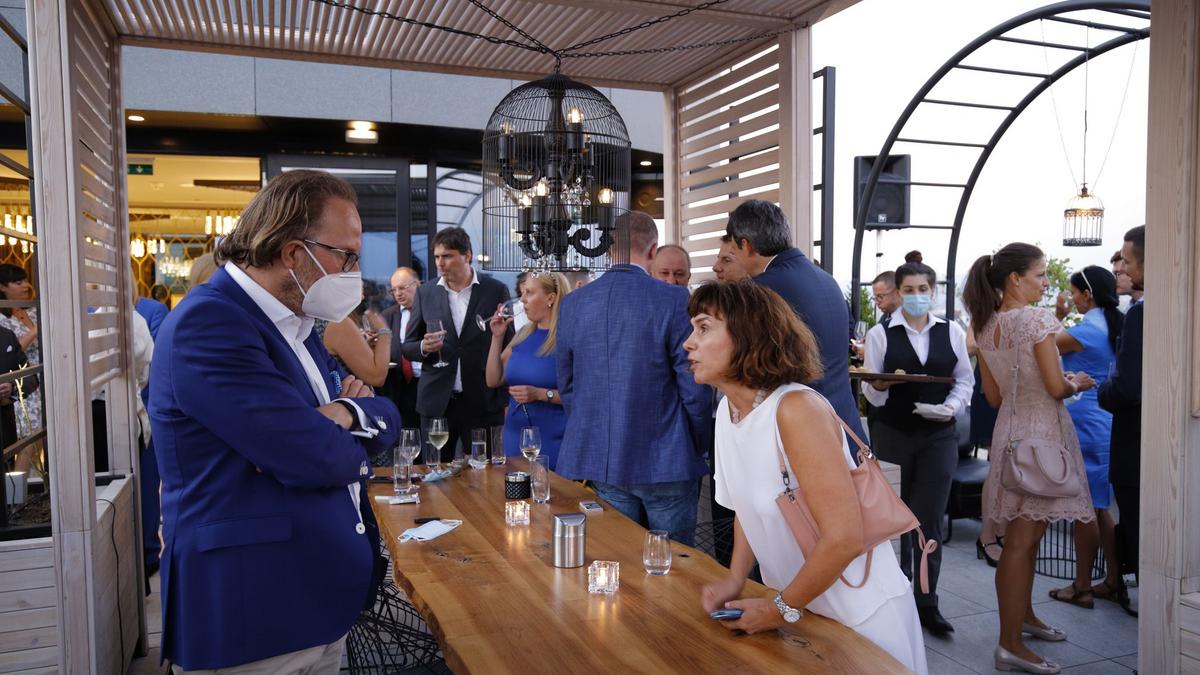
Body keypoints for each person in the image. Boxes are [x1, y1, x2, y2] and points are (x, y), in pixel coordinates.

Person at [148, 169, 400, 672]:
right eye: (347, 256)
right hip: (252, 617)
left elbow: (385, 413)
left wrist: (344, 413)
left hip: (313, 605)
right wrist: (336, 431)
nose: (354, 271)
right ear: (293, 253)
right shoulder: (211, 323)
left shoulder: (295, 322)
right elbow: (315, 457)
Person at [689, 282, 927, 674]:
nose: (688, 343)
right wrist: (735, 578)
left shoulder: (795, 409)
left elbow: (844, 538)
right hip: (800, 611)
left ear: (748, 335)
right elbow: (746, 509)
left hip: (858, 617)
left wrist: (777, 610)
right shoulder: (729, 414)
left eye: (703, 328)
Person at [963, 242, 1097, 675]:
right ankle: (1010, 645)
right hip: (1042, 435)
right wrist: (1078, 383)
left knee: (1026, 539)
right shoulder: (1036, 319)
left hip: (1009, 434)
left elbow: (993, 396)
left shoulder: (985, 325)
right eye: (1040, 274)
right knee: (1023, 542)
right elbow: (1056, 388)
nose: (1046, 282)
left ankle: (1024, 619)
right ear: (1015, 279)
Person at [555, 211, 712, 544]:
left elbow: (568, 387)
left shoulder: (573, 303)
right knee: (675, 563)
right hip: (668, 458)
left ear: (610, 248)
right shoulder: (674, 299)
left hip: (605, 461)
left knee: (618, 557)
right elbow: (694, 385)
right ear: (653, 250)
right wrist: (698, 443)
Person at [859, 255, 974, 635]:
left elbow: (964, 380)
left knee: (929, 519)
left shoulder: (951, 331)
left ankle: (927, 601)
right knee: (894, 518)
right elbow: (872, 391)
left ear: (933, 291)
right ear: (899, 292)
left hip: (939, 435)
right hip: (893, 432)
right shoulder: (881, 335)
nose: (916, 295)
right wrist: (879, 386)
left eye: (922, 289)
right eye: (908, 290)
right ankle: (895, 598)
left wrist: (951, 408)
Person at [724, 200, 864, 438]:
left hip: (800, 430)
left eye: (734, 252)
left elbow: (748, 366)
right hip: (845, 423)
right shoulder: (826, 279)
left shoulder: (758, 291)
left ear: (745, 245)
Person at [1047, 266, 1124, 609]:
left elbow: (1044, 345)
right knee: (1100, 506)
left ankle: (1082, 587)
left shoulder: (1089, 329)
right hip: (1104, 422)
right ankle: (1112, 579)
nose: (1073, 298)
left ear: (1087, 294)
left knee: (1085, 509)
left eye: (1075, 292)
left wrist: (1057, 314)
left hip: (1087, 425)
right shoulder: (1113, 323)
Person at [401, 227, 512, 464]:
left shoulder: (495, 290)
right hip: (437, 402)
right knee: (435, 474)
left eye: (447, 256)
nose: (440, 263)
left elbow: (508, 346)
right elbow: (407, 347)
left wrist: (503, 398)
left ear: (467, 255)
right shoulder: (426, 292)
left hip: (482, 401)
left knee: (486, 474)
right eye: (437, 257)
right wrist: (424, 347)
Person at [1098, 225, 1144, 612]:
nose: (1123, 270)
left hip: (1136, 443)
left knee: (1143, 535)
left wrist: (1101, 390)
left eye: (1127, 262)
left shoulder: (1141, 313)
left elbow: (1127, 388)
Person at [486, 272, 570, 469]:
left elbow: (582, 396)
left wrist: (540, 394)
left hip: (553, 439)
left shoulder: (567, 338)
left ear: (550, 298)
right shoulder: (524, 333)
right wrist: (497, 338)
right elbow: (492, 379)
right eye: (523, 293)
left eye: (529, 293)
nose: (522, 300)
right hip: (514, 436)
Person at [0, 264, 41, 472]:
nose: (25, 285)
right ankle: (17, 488)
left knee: (40, 438)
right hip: (19, 382)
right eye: (18, 282)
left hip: (38, 382)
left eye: (25, 280)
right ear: (2, 287)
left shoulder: (31, 311)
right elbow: (11, 351)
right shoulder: (2, 319)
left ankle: (35, 485)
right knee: (27, 440)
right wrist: (34, 332)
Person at [382, 267, 422, 429]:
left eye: (402, 288)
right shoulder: (387, 315)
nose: (398, 293)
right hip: (399, 385)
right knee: (406, 435)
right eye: (394, 290)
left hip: (426, 382)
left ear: (417, 285)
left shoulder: (431, 311)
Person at [320, 302, 390, 387]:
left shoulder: (321, 317)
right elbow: (377, 377)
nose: (363, 296)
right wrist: (384, 331)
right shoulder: (338, 321)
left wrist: (364, 347)